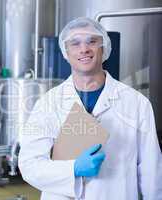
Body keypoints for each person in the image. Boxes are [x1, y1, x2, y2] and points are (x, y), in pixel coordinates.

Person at [18, 17, 162, 200]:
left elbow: (152, 172)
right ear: (65, 52)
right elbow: (29, 165)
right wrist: (73, 169)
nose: (84, 49)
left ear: (104, 48)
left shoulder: (136, 103)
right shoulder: (48, 103)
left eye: (92, 41)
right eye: (75, 43)